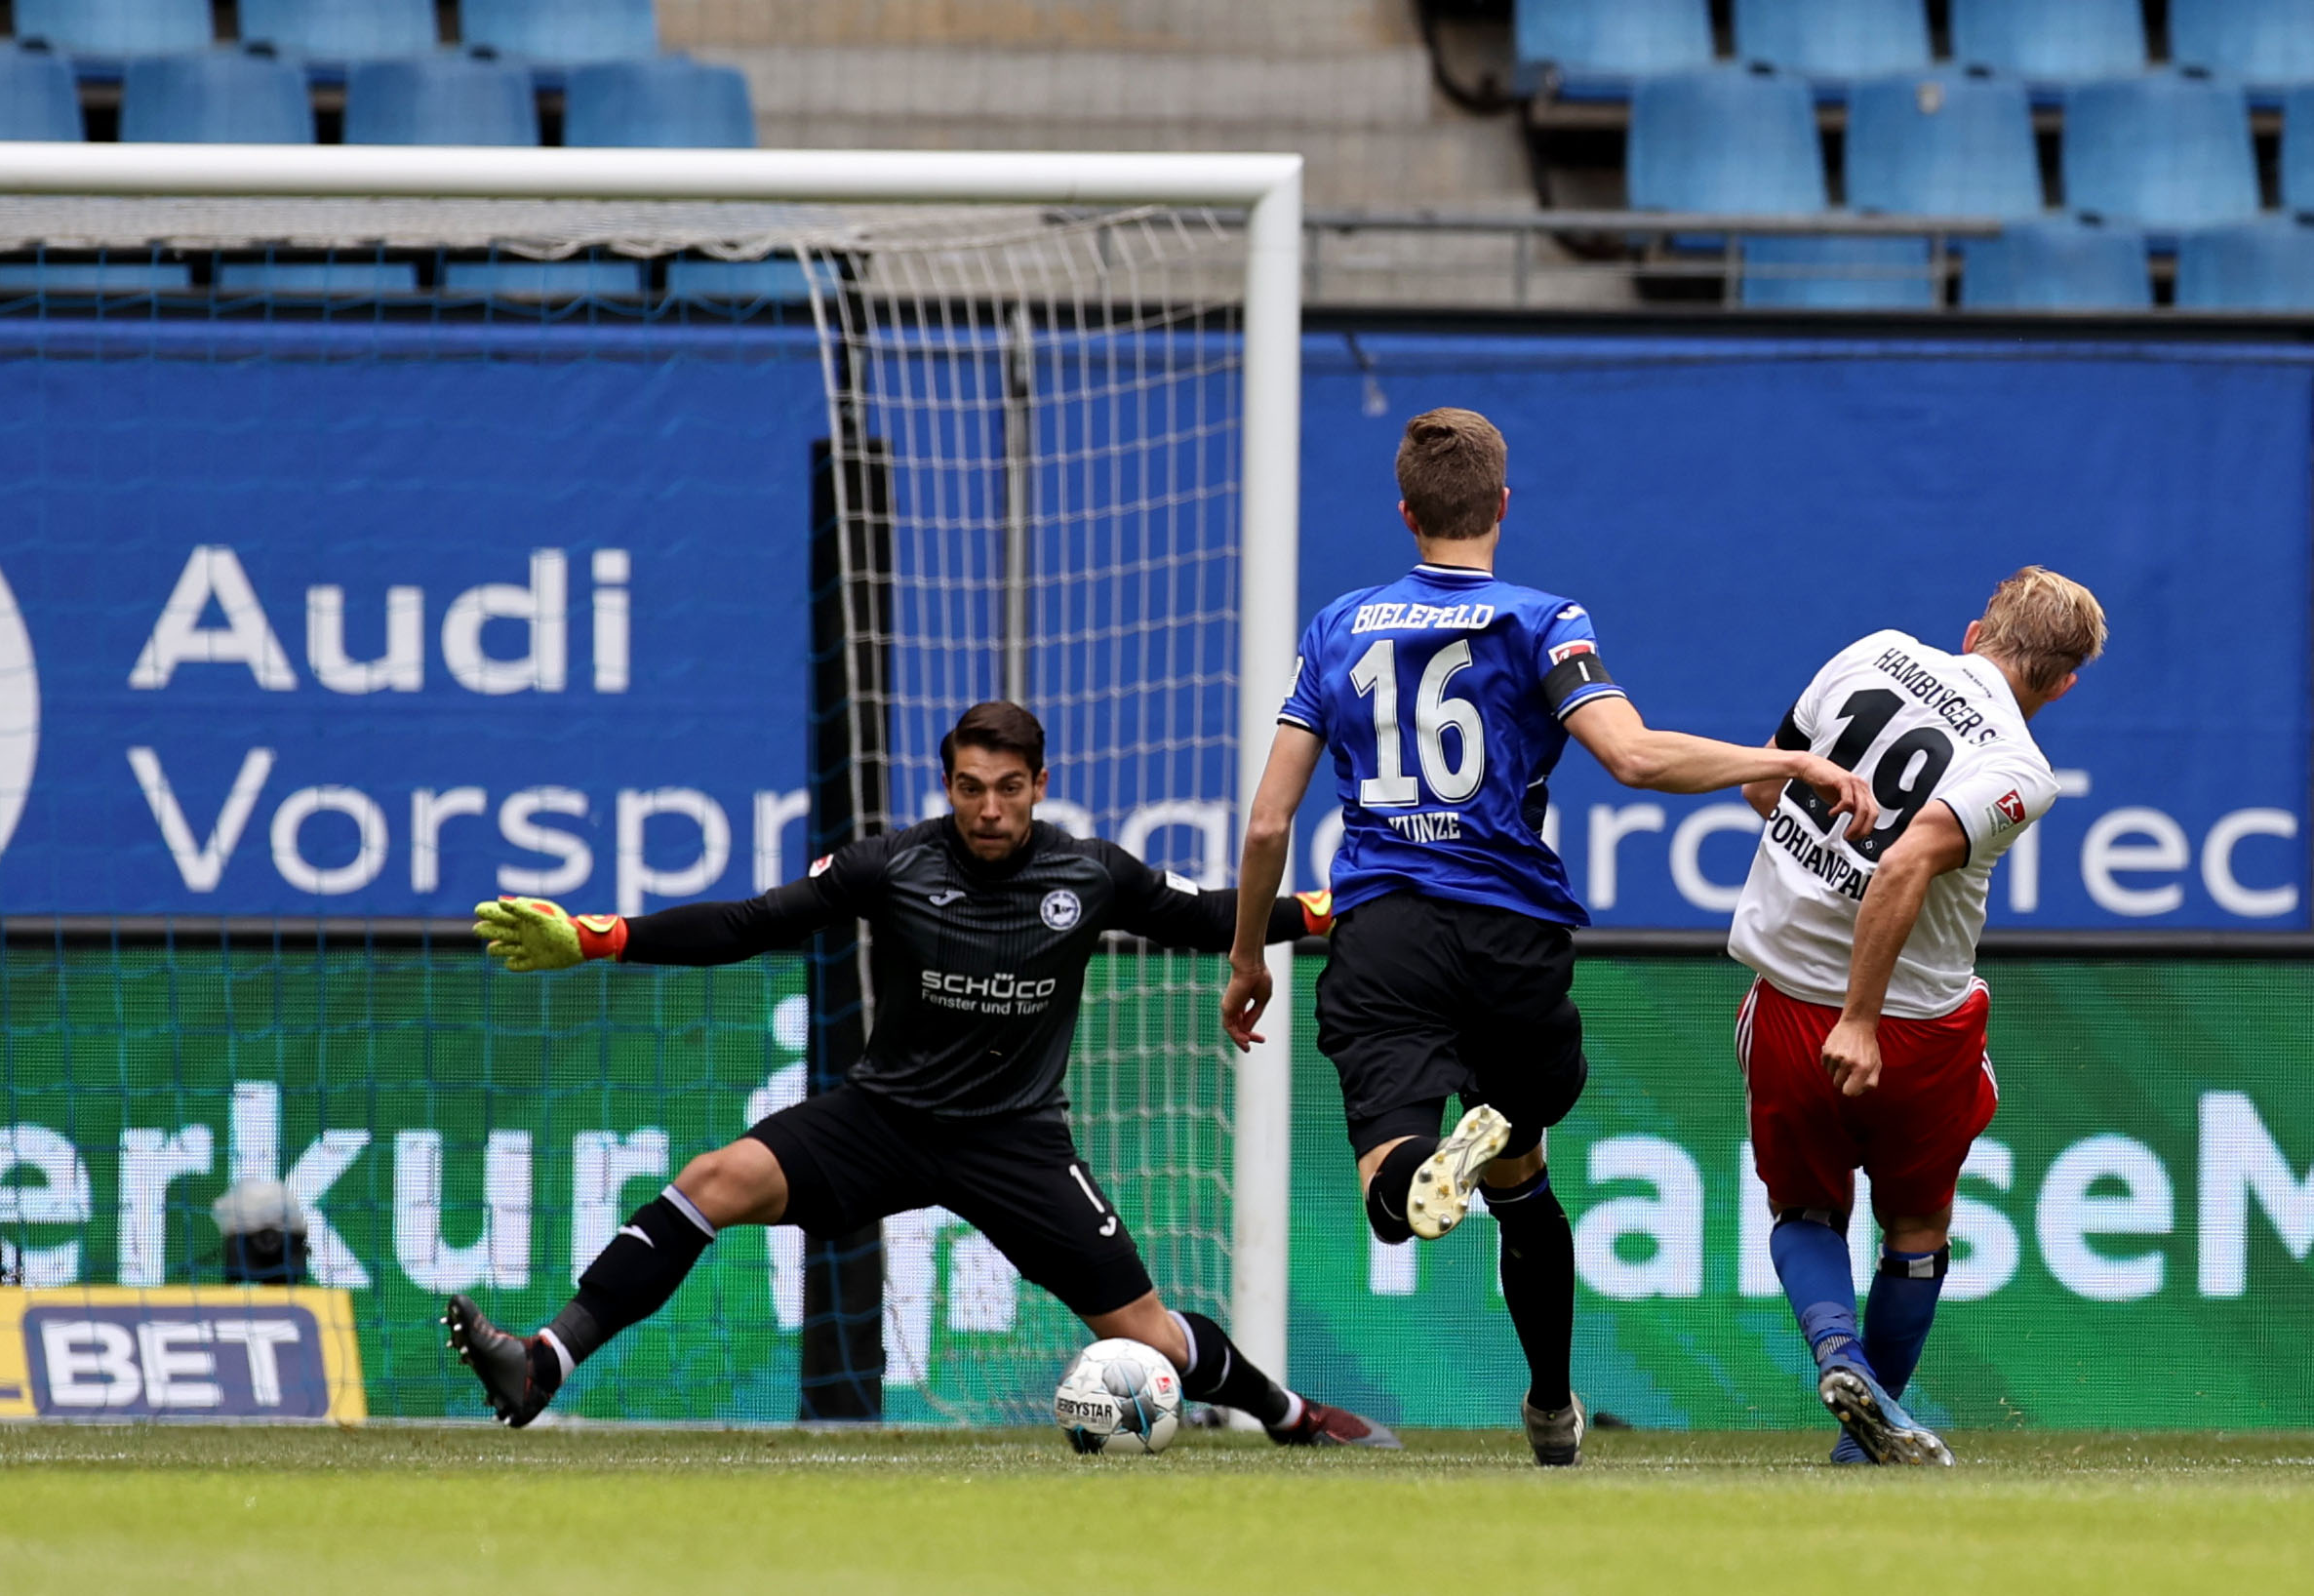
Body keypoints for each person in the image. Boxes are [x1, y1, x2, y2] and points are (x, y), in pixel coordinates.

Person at [447, 699, 1395, 1446]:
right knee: (711, 1182)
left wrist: (1334, 911)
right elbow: (749, 923)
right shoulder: (889, 866)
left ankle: (1287, 1414)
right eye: (970, 787)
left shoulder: (1089, 875)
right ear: (945, 783)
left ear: (1039, 785)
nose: (988, 808)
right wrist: (600, 936)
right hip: (884, 1118)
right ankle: (542, 1362)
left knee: (1145, 1332)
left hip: (1014, 1138)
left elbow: (1212, 914)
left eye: (1009, 788)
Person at [1222, 408, 1879, 1466]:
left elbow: (1265, 821)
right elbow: (1629, 757)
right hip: (1510, 938)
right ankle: (1546, 1405)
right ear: (1501, 506)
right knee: (1522, 1165)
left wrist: (1250, 952)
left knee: (1392, 1203)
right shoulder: (1542, 620)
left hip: (1382, 929)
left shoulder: (1335, 626)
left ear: (1404, 511)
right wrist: (1783, 765)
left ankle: (1420, 1176)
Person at [1729, 567, 2104, 1465]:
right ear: (2061, 683)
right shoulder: (2020, 770)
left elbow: (1761, 783)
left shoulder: (1875, 651)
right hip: (1911, 1028)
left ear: (1976, 630)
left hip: (1785, 1003)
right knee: (1914, 1230)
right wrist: (1860, 1018)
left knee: (1805, 1213)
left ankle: (1837, 1353)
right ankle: (1867, 1443)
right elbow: (1902, 867)